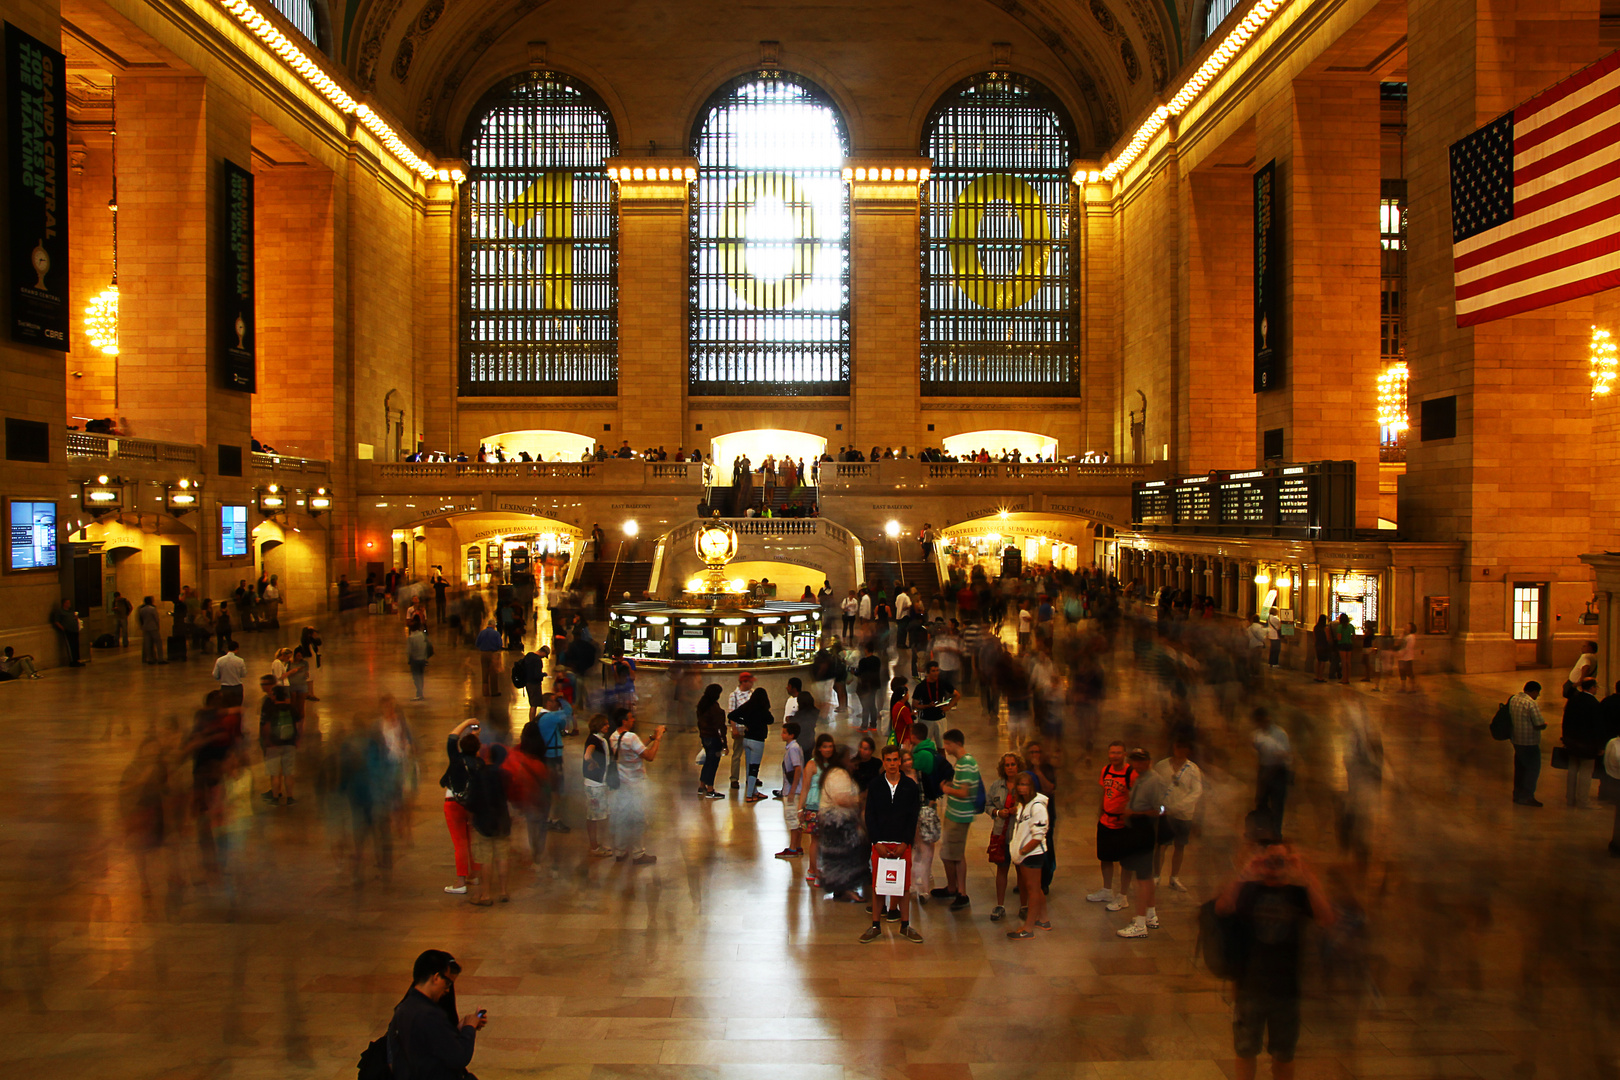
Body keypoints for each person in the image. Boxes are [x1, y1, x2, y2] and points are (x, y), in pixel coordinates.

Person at [1215, 843, 1335, 1080]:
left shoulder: (1298, 894)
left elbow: (1326, 918)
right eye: (1270, 859)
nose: (1274, 865)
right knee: (1246, 1050)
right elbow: (1223, 907)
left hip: (1287, 990)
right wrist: (1245, 872)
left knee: (1284, 1055)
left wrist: (1306, 876)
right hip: (1250, 987)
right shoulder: (1249, 890)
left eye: (1281, 860)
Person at [386, 950, 486, 1080]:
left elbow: (429, 1044)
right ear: (436, 978)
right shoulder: (429, 1015)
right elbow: (459, 1057)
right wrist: (469, 1028)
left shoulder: (404, 1008)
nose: (448, 990)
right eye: (448, 983)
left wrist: (458, 1029)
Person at [861, 744, 924, 944]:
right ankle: (875, 925)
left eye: (895, 760)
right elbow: (870, 815)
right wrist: (876, 841)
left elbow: (913, 817)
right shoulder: (876, 785)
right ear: (884, 762)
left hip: (901, 844)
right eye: (888, 760)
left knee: (903, 886)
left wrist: (906, 842)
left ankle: (905, 925)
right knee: (878, 886)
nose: (892, 764)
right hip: (881, 843)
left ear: (900, 761)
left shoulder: (910, 786)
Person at [1115, 748, 1165, 938]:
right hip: (1136, 830)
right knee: (1145, 876)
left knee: (1142, 879)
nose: (1136, 764)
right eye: (1134, 760)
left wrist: (1135, 814)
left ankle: (1140, 922)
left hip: (1144, 830)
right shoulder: (1141, 777)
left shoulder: (1155, 780)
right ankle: (1151, 915)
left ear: (1148, 760)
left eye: (1140, 760)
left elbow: (1161, 809)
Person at [608, 706, 664, 864]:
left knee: (622, 817)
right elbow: (649, 756)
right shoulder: (631, 737)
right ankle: (638, 853)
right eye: (631, 718)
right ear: (624, 721)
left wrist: (650, 738)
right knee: (639, 818)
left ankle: (620, 850)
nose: (633, 720)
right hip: (636, 783)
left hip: (622, 782)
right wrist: (658, 738)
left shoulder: (614, 736)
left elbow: (634, 748)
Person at [1088, 741, 1135, 911]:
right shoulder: (1106, 770)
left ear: (1124, 754)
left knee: (1125, 861)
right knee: (1105, 857)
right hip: (1106, 821)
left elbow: (1134, 797)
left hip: (1122, 824)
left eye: (1118, 753)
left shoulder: (1131, 773)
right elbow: (1104, 793)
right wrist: (1100, 813)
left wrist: (1128, 817)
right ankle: (1107, 890)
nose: (1114, 756)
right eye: (1112, 752)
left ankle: (1123, 896)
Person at [936, 728, 979, 912]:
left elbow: (965, 792)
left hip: (960, 815)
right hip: (954, 813)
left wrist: (947, 790)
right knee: (952, 853)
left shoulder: (966, 763)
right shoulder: (961, 763)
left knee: (952, 854)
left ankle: (960, 892)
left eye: (947, 744)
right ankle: (953, 887)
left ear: (956, 743)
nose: (946, 747)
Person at [1152, 737, 1203, 890]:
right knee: (1161, 845)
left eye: (1183, 747)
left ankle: (1174, 877)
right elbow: (1155, 785)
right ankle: (1156, 876)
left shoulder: (1193, 769)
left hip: (1184, 814)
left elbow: (1197, 791)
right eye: (1177, 746)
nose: (1180, 750)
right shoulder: (1162, 766)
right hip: (1166, 813)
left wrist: (1179, 806)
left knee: (1180, 846)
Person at [439, 719, 483, 895]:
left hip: (453, 804)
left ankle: (460, 882)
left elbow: (452, 737)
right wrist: (475, 737)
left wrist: (468, 722)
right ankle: (476, 874)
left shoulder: (456, 759)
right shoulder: (479, 764)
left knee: (460, 843)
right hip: (472, 806)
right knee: (472, 841)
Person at [1005, 771, 1051, 939]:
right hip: (1024, 854)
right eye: (1020, 784)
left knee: (1032, 890)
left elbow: (1039, 835)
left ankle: (1028, 928)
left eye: (1025, 784)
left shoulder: (1037, 806)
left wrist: (1023, 851)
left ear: (1032, 787)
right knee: (1035, 888)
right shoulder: (1022, 804)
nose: (1022, 788)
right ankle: (1044, 920)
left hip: (1032, 854)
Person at [984, 752, 1023, 922]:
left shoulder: (1024, 785)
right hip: (1001, 833)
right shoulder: (996, 785)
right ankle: (1000, 904)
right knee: (1002, 868)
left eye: (1013, 764)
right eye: (1007, 765)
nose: (1010, 768)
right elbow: (988, 805)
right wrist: (998, 812)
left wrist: (1018, 809)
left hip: (1019, 833)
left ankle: (1024, 905)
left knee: (1021, 870)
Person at [257, 674, 302, 805]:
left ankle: (275, 797)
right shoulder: (291, 708)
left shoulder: (271, 708)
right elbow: (299, 724)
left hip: (274, 744)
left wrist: (267, 741)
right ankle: (290, 797)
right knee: (288, 773)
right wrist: (297, 740)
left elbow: (266, 726)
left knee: (275, 773)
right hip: (290, 743)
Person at [1562, 677, 1604, 808]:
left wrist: (1565, 738)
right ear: (1592, 688)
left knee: (1572, 769)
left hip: (1572, 742)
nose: (1596, 689)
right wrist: (1600, 746)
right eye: (1596, 687)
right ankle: (1583, 800)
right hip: (1587, 744)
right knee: (1586, 772)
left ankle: (1570, 798)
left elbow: (1566, 721)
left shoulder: (1573, 700)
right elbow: (1597, 726)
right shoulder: (1594, 704)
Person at [1252, 707, 1293, 837]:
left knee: (1277, 803)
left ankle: (1276, 832)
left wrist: (1277, 756)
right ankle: (1264, 831)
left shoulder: (1279, 733)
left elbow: (1286, 754)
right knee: (1261, 802)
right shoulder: (1257, 735)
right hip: (1264, 769)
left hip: (1278, 771)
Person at [728, 686, 774, 802]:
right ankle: (749, 795)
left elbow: (731, 715)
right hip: (757, 741)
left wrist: (745, 722)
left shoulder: (747, 706)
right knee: (754, 768)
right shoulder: (763, 710)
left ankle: (754, 791)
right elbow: (771, 720)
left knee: (749, 766)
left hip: (747, 739)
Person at [1509, 681, 1546, 807]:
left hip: (1517, 741)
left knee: (1520, 769)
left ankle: (1517, 794)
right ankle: (1527, 796)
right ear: (1534, 691)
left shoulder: (1514, 699)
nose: (1538, 695)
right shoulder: (1531, 703)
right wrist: (1544, 725)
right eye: (1538, 693)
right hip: (1530, 742)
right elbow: (1538, 723)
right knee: (1532, 769)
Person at [582, 713, 613, 856]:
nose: (607, 726)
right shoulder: (594, 740)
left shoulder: (600, 740)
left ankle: (596, 844)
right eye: (604, 724)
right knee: (594, 816)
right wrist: (592, 762)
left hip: (600, 783)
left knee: (597, 815)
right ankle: (594, 847)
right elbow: (588, 755)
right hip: (594, 785)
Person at [776, 722, 806, 859]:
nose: (782, 735)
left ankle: (793, 848)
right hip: (794, 789)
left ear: (791, 735)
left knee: (792, 820)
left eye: (784, 732)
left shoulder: (793, 748)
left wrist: (792, 790)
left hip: (792, 790)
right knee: (797, 820)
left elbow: (797, 768)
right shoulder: (794, 747)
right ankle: (797, 846)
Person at [695, 683, 727, 798]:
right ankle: (710, 789)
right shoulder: (714, 708)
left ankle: (702, 786)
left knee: (708, 762)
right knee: (713, 764)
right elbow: (720, 726)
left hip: (705, 737)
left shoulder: (702, 705)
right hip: (714, 739)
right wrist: (725, 744)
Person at [912, 661, 955, 744]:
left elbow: (957, 695)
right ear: (928, 672)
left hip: (940, 719)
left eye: (937, 670)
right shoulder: (921, 686)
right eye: (933, 671)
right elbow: (915, 704)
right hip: (926, 720)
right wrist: (927, 706)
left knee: (942, 746)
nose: (936, 673)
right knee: (924, 746)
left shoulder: (943, 683)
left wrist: (948, 707)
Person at [726, 672, 756, 791]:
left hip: (751, 729)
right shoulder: (734, 695)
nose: (752, 683)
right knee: (737, 754)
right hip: (739, 728)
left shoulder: (752, 694)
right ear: (744, 682)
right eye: (750, 681)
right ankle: (734, 778)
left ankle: (751, 776)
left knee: (751, 754)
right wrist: (734, 729)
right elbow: (731, 713)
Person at [49, 599, 83, 667]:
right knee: (70, 645)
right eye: (67, 603)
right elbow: (56, 621)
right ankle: (72, 661)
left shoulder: (71, 611)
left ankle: (77, 660)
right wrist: (63, 628)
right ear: (64, 604)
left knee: (76, 645)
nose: (69, 604)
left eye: (69, 602)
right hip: (68, 630)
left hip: (74, 630)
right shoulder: (60, 611)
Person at [211, 641, 247, 706]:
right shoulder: (240, 660)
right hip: (237, 687)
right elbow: (243, 674)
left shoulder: (220, 660)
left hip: (225, 688)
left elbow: (215, 675)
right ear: (237, 649)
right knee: (236, 708)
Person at [475, 619, 503, 697]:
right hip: (493, 654)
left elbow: (477, 643)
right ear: (494, 625)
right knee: (493, 674)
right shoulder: (496, 633)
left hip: (483, 654)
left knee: (484, 672)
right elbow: (500, 645)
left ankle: (485, 692)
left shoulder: (482, 632)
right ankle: (494, 692)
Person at [407, 623, 433, 700]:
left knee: (416, 677)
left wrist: (409, 660)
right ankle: (421, 692)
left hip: (415, 660)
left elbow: (409, 651)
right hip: (422, 659)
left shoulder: (411, 638)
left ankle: (419, 693)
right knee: (421, 676)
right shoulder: (422, 635)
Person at [1394, 622, 1418, 692]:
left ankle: (1412, 688)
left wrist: (1402, 653)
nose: (1405, 627)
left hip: (1407, 657)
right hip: (1401, 657)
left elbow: (1409, 647)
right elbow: (1398, 643)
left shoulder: (1411, 637)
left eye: (1407, 626)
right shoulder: (1403, 635)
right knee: (1402, 672)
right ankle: (1403, 687)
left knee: (1409, 672)